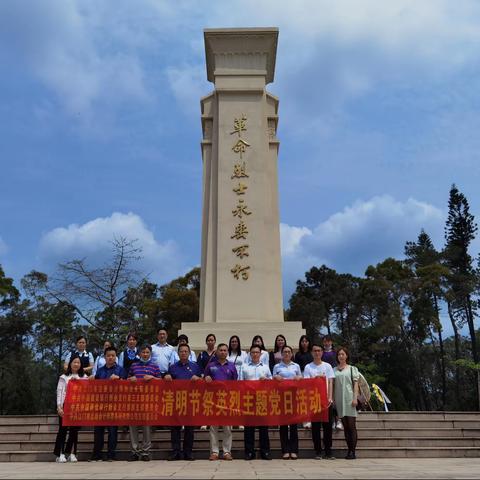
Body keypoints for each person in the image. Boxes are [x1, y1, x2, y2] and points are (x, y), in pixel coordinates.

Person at [164, 344, 202, 461]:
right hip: (176, 400)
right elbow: (167, 382)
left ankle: (188, 452)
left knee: (189, 429)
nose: (184, 353)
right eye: (181, 351)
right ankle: (176, 452)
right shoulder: (173, 367)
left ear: (189, 353)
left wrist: (199, 379)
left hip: (190, 400)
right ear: (178, 353)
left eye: (186, 351)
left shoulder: (195, 367)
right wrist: (167, 376)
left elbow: (202, 383)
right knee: (175, 428)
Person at [90, 346, 127, 462]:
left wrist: (119, 379)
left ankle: (111, 455)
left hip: (114, 405)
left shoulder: (121, 370)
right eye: (108, 356)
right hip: (100, 404)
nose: (110, 357)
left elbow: (127, 385)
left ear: (116, 357)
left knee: (112, 431)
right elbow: (94, 386)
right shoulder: (100, 371)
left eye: (113, 355)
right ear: (104, 357)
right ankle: (97, 455)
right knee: (98, 431)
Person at [127, 344, 162, 462]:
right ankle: (134, 451)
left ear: (150, 354)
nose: (145, 354)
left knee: (147, 427)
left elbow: (160, 381)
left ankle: (146, 451)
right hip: (134, 401)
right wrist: (130, 380)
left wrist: (152, 378)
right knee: (133, 427)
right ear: (139, 353)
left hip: (148, 401)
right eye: (143, 352)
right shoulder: (134, 365)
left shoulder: (155, 366)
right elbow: (127, 380)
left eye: (147, 352)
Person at [204, 343, 238, 461]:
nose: (223, 352)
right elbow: (205, 380)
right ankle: (214, 452)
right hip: (213, 400)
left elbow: (235, 384)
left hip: (227, 400)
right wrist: (206, 379)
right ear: (217, 352)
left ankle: (226, 452)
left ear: (227, 352)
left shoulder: (232, 366)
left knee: (227, 427)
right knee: (213, 427)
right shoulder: (211, 365)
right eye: (221, 350)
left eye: (225, 350)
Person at [240, 345, 272, 460]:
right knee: (249, 427)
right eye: (253, 352)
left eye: (257, 352)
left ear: (260, 354)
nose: (255, 354)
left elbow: (271, 382)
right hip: (248, 399)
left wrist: (267, 380)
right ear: (250, 354)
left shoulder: (266, 367)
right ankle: (249, 452)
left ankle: (265, 452)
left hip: (262, 398)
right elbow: (240, 383)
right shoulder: (244, 367)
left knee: (263, 427)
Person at [304, 344, 335, 460]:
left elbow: (331, 382)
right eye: (315, 351)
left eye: (319, 350)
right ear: (312, 353)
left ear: (322, 352)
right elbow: (306, 383)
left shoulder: (328, 366)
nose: (317, 353)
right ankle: (318, 451)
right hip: (314, 400)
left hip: (326, 400)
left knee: (328, 427)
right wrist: (317, 378)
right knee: (316, 427)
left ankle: (328, 451)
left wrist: (330, 398)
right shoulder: (308, 367)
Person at [54, 355, 87, 462]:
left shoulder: (84, 377)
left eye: (78, 362)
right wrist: (59, 407)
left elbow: (86, 392)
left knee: (74, 431)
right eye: (74, 362)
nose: (76, 364)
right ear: (70, 364)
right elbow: (59, 392)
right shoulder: (64, 377)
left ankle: (72, 453)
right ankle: (60, 453)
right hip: (65, 405)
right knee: (62, 430)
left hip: (77, 407)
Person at [272, 345, 302, 459]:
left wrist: (299, 377)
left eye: (289, 352)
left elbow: (301, 378)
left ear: (292, 354)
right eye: (285, 352)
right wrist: (275, 378)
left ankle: (294, 450)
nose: (287, 354)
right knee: (283, 425)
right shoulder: (277, 366)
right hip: (281, 397)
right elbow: (272, 380)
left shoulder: (296, 366)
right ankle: (285, 450)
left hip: (294, 397)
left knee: (294, 425)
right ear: (281, 354)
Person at [334, 347, 360, 460]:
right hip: (339, 400)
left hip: (349, 399)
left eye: (343, 354)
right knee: (345, 426)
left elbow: (355, 385)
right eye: (339, 354)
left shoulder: (352, 369)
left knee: (351, 426)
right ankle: (349, 450)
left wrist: (355, 398)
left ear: (346, 356)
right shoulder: (334, 369)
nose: (341, 356)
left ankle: (353, 451)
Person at [322, 335, 342, 430]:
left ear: (331, 342)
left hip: (335, 376)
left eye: (328, 341)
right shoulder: (321, 353)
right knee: (328, 400)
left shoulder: (335, 352)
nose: (327, 343)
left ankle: (338, 420)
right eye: (325, 341)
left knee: (335, 399)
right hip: (324, 379)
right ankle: (332, 420)